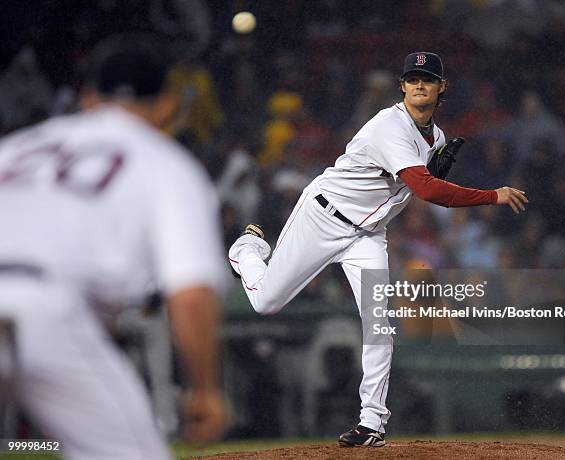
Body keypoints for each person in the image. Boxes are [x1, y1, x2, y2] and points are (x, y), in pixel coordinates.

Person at [228, 52, 528, 447]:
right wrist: (493, 195)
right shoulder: (390, 124)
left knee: (380, 322)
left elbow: (417, 183)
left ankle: (372, 422)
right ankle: (246, 248)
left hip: (368, 234)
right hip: (324, 216)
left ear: (442, 88)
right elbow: (426, 190)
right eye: (412, 78)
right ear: (402, 86)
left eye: (428, 79)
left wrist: (430, 174)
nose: (420, 84)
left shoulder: (435, 138)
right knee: (266, 302)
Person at [0, 37, 227, 459]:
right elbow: (191, 287)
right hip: (43, 306)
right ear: (166, 105)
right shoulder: (165, 163)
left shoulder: (15, 149)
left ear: (88, 98)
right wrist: (206, 390)